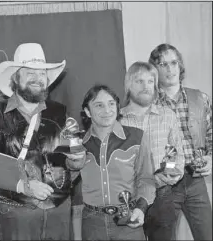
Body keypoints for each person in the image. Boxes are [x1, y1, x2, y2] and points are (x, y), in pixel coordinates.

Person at [0, 43, 86, 240]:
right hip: (17, 216)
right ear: (15, 78)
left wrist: (76, 161)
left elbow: (70, 166)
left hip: (59, 214)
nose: (37, 78)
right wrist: (22, 185)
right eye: (29, 72)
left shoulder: (62, 114)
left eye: (42, 73)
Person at [72, 84, 156, 240]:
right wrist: (71, 163)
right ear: (87, 112)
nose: (107, 110)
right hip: (92, 224)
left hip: (129, 222)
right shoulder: (78, 143)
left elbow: (147, 180)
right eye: (99, 105)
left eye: (111, 104)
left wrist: (141, 209)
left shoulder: (136, 137)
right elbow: (65, 181)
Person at [147, 43, 212, 240]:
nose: (170, 69)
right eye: (163, 64)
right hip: (164, 184)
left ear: (180, 65)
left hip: (196, 180)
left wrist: (211, 158)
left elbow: (211, 134)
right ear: (155, 70)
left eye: (173, 62)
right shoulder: (146, 103)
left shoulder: (200, 98)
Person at [120, 61, 186, 240]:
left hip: (162, 196)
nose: (146, 86)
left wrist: (172, 174)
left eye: (150, 81)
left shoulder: (168, 116)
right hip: (129, 199)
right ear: (128, 85)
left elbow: (178, 154)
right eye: (139, 81)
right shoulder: (117, 120)